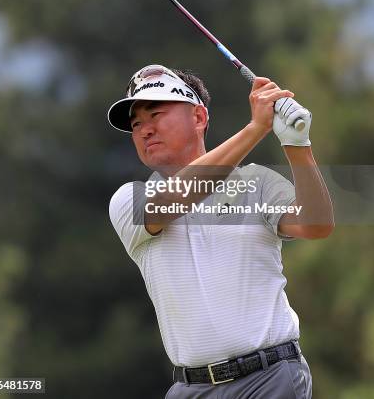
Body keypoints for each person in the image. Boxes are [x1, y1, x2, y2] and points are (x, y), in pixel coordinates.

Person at [108, 64, 334, 398]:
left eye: (156, 114)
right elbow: (180, 195)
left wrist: (297, 145)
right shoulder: (129, 200)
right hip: (190, 388)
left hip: (270, 379)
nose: (144, 130)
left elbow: (316, 225)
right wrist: (258, 127)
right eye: (136, 123)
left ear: (199, 118)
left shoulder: (256, 183)